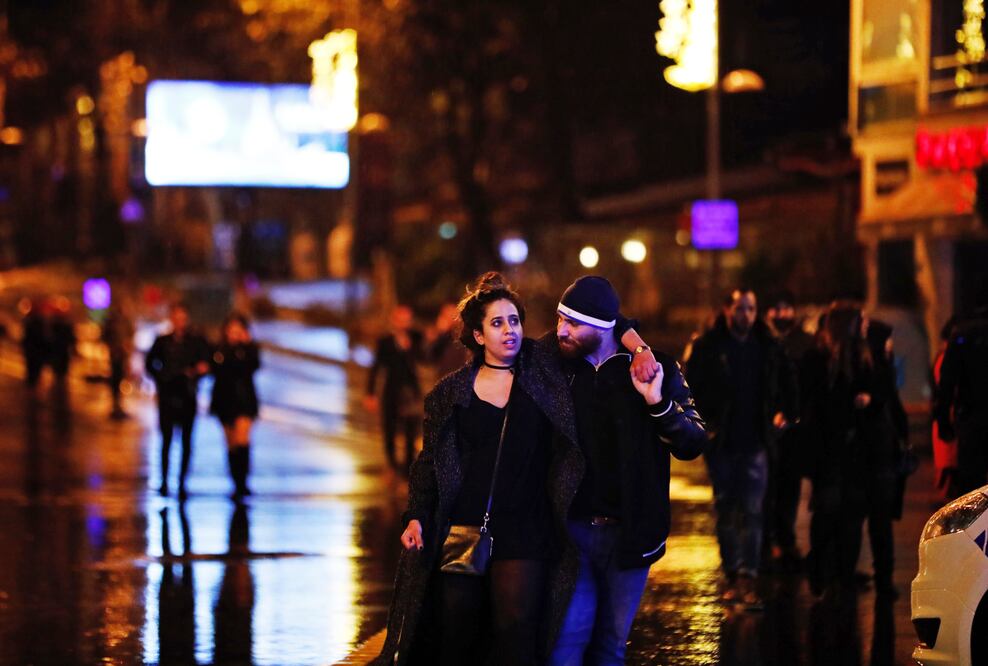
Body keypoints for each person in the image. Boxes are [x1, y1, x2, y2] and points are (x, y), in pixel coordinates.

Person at [374, 273, 577, 666]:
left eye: (514, 320)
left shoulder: (542, 379)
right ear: (479, 335)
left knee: (516, 634)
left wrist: (638, 348)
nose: (509, 330)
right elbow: (429, 462)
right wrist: (416, 516)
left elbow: (596, 317)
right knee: (458, 636)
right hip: (465, 527)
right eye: (497, 323)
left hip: (526, 527)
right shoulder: (450, 394)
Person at [546, 276, 707, 666]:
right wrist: (636, 339)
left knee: (610, 646)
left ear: (602, 327)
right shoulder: (554, 366)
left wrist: (657, 403)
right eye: (560, 319)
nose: (561, 330)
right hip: (572, 532)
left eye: (573, 323)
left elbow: (693, 442)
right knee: (566, 643)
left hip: (630, 533)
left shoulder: (657, 367)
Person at [684, 288, 796, 608]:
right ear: (727, 309)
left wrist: (785, 413)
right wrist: (706, 425)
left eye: (750, 308)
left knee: (753, 511)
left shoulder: (767, 345)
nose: (745, 314)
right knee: (727, 509)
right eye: (740, 308)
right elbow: (692, 387)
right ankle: (733, 575)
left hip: (756, 441)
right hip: (723, 442)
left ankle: (748, 576)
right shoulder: (709, 346)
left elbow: (787, 383)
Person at [801, 302, 896, 598]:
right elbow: (813, 403)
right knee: (827, 512)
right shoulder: (819, 359)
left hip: (858, 450)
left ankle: (842, 577)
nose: (866, 324)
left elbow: (883, 393)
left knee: (851, 516)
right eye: (861, 320)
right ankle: (820, 569)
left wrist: (870, 400)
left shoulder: (865, 356)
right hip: (829, 450)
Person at [764, 291, 814, 569]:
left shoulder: (804, 343)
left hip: (794, 430)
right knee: (767, 488)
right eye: (777, 309)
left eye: (787, 309)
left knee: (789, 488)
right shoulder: (762, 342)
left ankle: (786, 541)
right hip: (766, 429)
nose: (782, 314)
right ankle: (768, 543)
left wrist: (793, 414)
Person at [145, 304, 210, 499]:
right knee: (166, 440)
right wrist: (162, 378)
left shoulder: (195, 342)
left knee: (186, 441)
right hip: (168, 396)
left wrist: (195, 374)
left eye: (182, 318)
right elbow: (150, 364)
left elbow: (206, 364)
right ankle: (164, 481)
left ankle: (182, 483)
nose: (179, 322)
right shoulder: (162, 341)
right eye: (176, 317)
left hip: (187, 396)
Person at [936, 286, 988, 496]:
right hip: (972, 417)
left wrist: (943, 421)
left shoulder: (962, 335)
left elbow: (947, 382)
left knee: (972, 491)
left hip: (971, 418)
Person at [365, 305, 424, 475]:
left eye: (407, 320)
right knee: (390, 429)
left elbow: (426, 357)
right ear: (394, 321)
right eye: (400, 319)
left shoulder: (416, 338)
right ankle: (392, 464)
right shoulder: (385, 342)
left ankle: (408, 467)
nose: (404, 323)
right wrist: (370, 393)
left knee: (411, 429)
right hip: (392, 390)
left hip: (411, 391)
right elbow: (376, 368)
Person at [210, 313, 261, 500]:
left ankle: (243, 482)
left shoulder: (248, 349)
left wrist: (246, 345)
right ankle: (235, 481)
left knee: (242, 440)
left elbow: (254, 366)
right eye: (231, 330)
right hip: (224, 400)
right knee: (230, 443)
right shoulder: (220, 350)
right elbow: (215, 370)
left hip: (244, 400)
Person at [931, 317, 960, 503]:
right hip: (950, 418)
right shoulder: (946, 358)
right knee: (950, 468)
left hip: (947, 419)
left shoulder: (942, 357)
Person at [102, 304, 135, 419]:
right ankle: (116, 403)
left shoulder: (126, 322)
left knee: (122, 378)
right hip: (115, 354)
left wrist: (128, 346)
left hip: (123, 354)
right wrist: (113, 347)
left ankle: (119, 403)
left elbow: (131, 334)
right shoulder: (112, 322)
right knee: (116, 378)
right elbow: (105, 336)